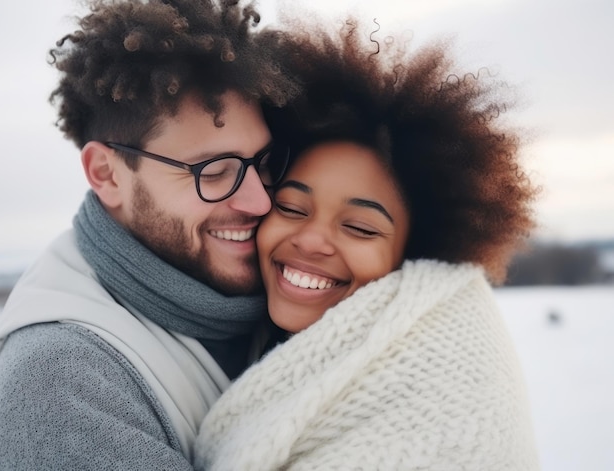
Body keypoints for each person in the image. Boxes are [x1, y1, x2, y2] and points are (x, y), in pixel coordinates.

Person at [193, 17, 541, 470]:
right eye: (292, 209)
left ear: (414, 253)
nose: (312, 240)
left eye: (359, 228)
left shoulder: (444, 392)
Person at [0, 0, 297, 469]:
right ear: (107, 174)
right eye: (213, 172)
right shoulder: (63, 384)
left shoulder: (295, 300)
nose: (259, 201)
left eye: (265, 165)